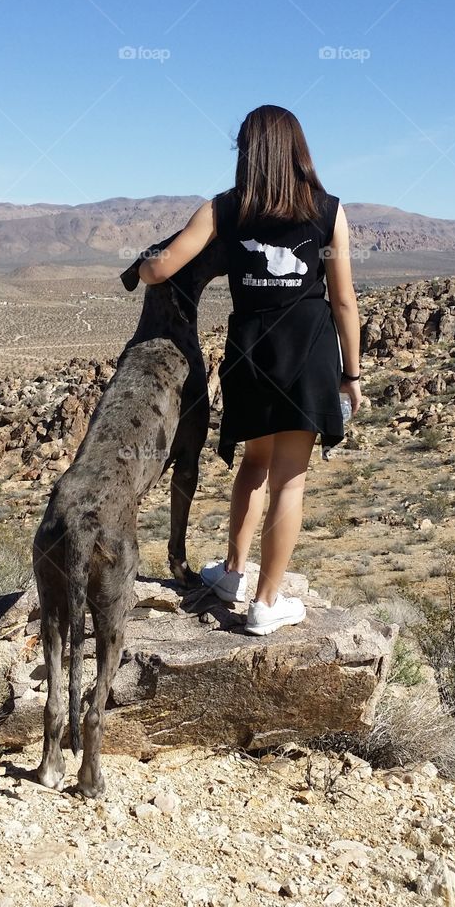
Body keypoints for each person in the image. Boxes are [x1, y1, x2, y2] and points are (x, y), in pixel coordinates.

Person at [139, 104, 361, 635]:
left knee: (254, 464)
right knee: (290, 481)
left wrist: (145, 264)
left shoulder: (224, 209)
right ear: (298, 150)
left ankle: (234, 573)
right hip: (308, 351)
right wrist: (352, 373)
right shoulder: (328, 211)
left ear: (248, 152)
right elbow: (345, 301)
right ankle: (266, 603)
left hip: (249, 351)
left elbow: (162, 267)